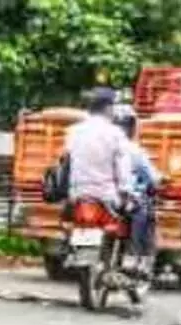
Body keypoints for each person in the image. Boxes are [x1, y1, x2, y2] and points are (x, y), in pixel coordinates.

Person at [61, 88, 151, 274]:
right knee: (140, 209)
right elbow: (123, 169)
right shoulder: (115, 134)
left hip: (76, 194)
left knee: (68, 219)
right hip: (106, 196)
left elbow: (66, 162)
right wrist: (127, 193)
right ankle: (131, 257)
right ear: (108, 108)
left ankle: (68, 249)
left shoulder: (73, 132)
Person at [111, 103, 162, 272]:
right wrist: (159, 181)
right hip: (123, 199)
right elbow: (152, 177)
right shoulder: (134, 150)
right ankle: (135, 256)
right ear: (132, 127)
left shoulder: (101, 144)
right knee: (146, 212)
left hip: (100, 196)